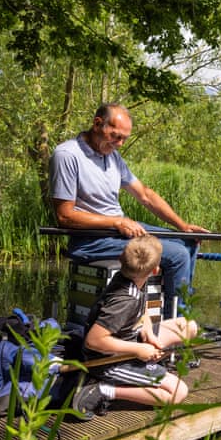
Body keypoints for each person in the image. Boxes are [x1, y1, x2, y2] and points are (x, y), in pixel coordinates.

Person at [49, 102, 208, 316]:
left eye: (124, 138)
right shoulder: (67, 155)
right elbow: (64, 216)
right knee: (178, 254)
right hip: (90, 241)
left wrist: (183, 226)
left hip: (117, 230)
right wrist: (117, 222)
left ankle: (169, 312)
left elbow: (145, 195)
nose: (120, 143)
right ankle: (177, 328)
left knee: (187, 241)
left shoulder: (112, 156)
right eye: (116, 136)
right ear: (97, 124)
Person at [72, 235, 199, 417]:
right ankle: (104, 389)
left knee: (188, 326)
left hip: (128, 340)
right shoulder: (124, 301)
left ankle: (145, 364)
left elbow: (142, 310)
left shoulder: (129, 278)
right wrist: (139, 350)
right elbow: (93, 341)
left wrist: (149, 333)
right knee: (178, 392)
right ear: (156, 270)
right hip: (108, 361)